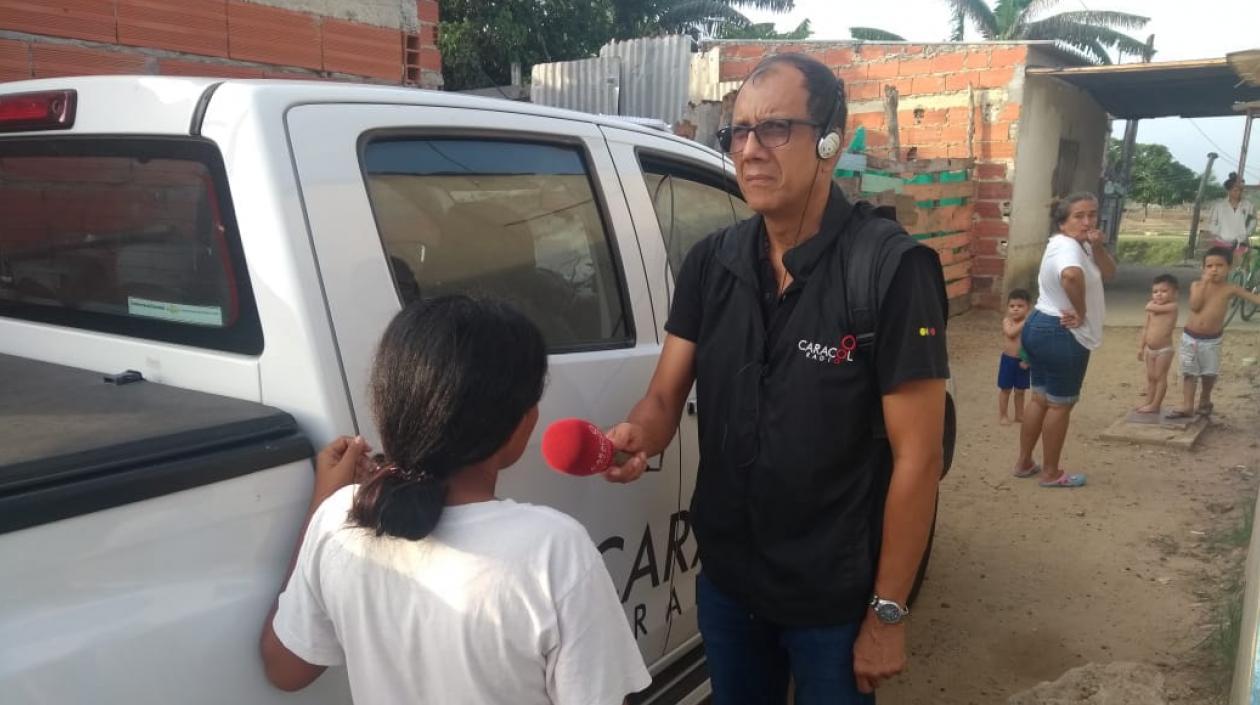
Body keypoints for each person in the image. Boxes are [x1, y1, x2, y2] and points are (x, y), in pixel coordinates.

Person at [601, 53, 950, 703]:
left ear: (828, 141)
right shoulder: (712, 262)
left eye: (776, 129)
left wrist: (888, 613)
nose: (751, 150)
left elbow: (918, 458)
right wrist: (639, 436)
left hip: (832, 603)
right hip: (731, 584)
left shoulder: (890, 272)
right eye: (739, 131)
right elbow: (662, 396)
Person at [258, 296, 650, 705]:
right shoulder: (554, 550)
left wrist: (323, 502)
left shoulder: (339, 519)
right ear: (524, 422)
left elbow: (285, 669)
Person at [1012, 193, 1117, 487]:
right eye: (1079, 216)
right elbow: (1071, 276)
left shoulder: (1078, 245)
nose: (1087, 221)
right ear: (1062, 222)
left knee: (1041, 398)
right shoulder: (1068, 248)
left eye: (1092, 215)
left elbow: (1109, 274)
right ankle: (1050, 472)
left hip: (1040, 325)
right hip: (1061, 333)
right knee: (1060, 405)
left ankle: (1024, 462)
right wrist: (1081, 312)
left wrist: (1097, 246)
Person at [1168, 248, 1260, 419]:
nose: (1214, 269)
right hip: (1190, 337)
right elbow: (1195, 306)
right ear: (1203, 268)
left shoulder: (1230, 289)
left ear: (1229, 268)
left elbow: (1253, 298)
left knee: (1209, 373)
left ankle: (1205, 400)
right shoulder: (1196, 285)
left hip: (1211, 340)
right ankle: (1187, 404)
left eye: (1219, 265)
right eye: (1209, 266)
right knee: (1189, 372)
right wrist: (1204, 284)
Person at [1135, 274, 1179, 414]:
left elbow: (1148, 306)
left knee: (1160, 376)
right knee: (1150, 377)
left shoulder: (1172, 307)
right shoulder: (1152, 310)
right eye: (1155, 292)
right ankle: (1149, 401)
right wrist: (1141, 347)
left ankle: (1156, 405)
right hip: (1150, 349)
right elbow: (1146, 328)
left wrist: (1149, 304)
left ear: (1174, 293)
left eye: (1164, 291)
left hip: (1164, 350)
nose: (1159, 295)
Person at [998, 289, 1032, 425]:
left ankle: (1019, 415)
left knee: (1020, 391)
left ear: (1027, 307)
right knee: (1005, 389)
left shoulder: (1030, 324)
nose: (1015, 309)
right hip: (1008, 360)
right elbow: (1010, 333)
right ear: (1007, 307)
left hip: (1023, 361)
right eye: (1012, 306)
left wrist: (1028, 360)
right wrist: (1024, 323)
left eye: (1020, 306)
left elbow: (1032, 342)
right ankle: (1003, 415)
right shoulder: (1007, 321)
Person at [1203, 173, 1256, 249]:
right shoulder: (1219, 206)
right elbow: (1212, 222)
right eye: (1235, 190)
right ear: (1228, 191)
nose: (1239, 193)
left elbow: (1252, 223)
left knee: (1238, 259)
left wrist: (1244, 234)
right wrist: (1219, 234)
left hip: (1241, 243)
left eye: (1241, 190)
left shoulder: (1249, 206)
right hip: (1221, 243)